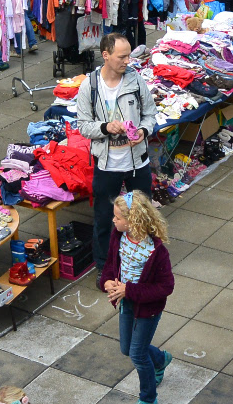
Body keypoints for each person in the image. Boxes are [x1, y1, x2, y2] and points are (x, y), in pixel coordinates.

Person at [75, 33, 156, 287]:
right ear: (106, 55)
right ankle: (104, 267)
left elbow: (151, 115)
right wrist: (105, 127)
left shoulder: (135, 80)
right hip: (107, 165)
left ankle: (147, 262)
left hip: (137, 163)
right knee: (103, 218)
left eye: (128, 55)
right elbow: (83, 126)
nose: (127, 61)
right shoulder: (90, 86)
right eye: (122, 56)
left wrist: (143, 132)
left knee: (143, 215)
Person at [100, 190, 175, 404]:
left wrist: (129, 290)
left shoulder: (156, 251)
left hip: (148, 309)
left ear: (133, 220)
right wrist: (107, 282)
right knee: (127, 349)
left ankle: (148, 399)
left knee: (138, 355)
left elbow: (166, 287)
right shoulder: (118, 236)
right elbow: (110, 265)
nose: (113, 220)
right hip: (127, 303)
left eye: (117, 217)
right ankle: (160, 359)